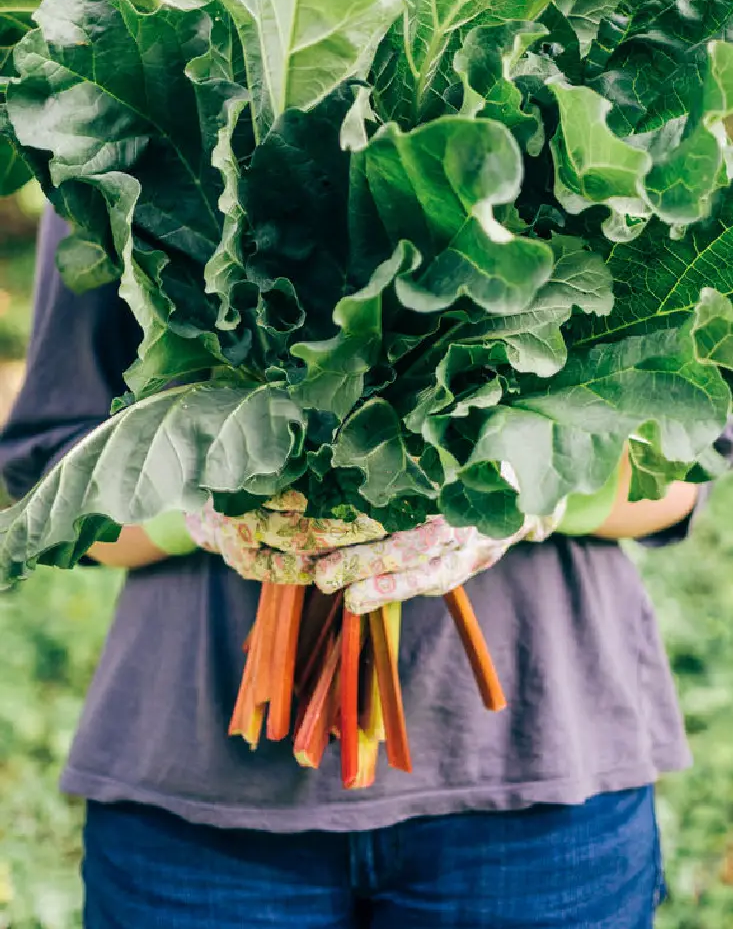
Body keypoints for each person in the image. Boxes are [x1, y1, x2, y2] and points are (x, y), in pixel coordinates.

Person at [0, 208, 703, 929]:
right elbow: (50, 479)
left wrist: (524, 500)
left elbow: (682, 464)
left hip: (540, 784)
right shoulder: (119, 173)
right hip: (197, 805)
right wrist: (199, 514)